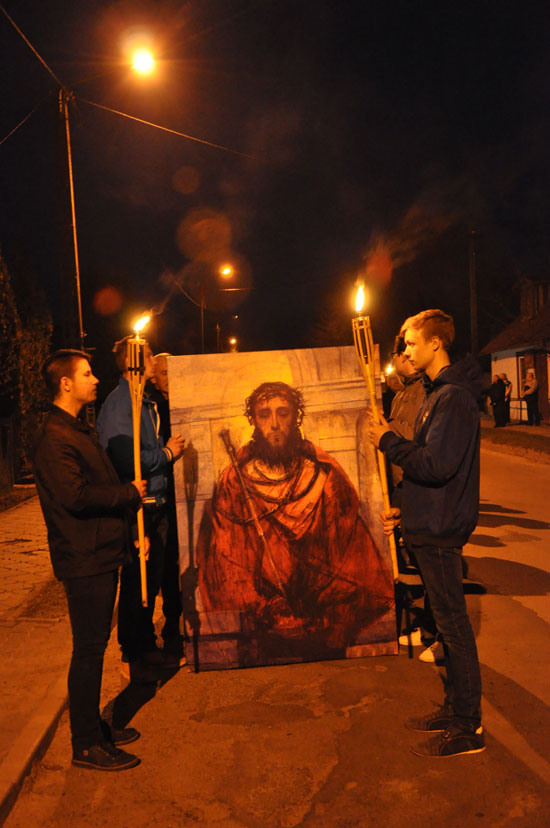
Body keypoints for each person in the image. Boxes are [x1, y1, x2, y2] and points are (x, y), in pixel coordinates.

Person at [197, 381, 394, 664]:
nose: (274, 424)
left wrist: (329, 614)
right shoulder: (235, 483)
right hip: (262, 632)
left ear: (296, 417)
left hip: (323, 629)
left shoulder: (324, 477)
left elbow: (348, 555)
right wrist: (269, 610)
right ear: (253, 420)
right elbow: (228, 561)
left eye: (283, 413)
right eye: (264, 414)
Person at [368, 309, 485, 758]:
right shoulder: (436, 393)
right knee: (448, 628)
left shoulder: (453, 398)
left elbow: (436, 465)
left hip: (440, 531)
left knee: (454, 629)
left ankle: (469, 727)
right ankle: (455, 710)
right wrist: (405, 509)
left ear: (436, 343)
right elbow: (430, 473)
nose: (406, 351)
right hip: (428, 523)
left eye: (412, 343)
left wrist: (388, 441)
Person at [33, 349, 146, 771]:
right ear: (66, 383)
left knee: (94, 648)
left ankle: (94, 727)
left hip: (99, 551)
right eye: (86, 373)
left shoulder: (75, 429)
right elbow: (76, 497)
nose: (95, 379)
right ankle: (85, 743)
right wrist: (129, 493)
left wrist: (128, 529)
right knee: (89, 650)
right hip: (84, 558)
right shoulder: (54, 437)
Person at [97, 337, 185, 680]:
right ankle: (133, 653)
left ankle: (146, 646)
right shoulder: (121, 404)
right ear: (134, 361)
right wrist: (167, 453)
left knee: (151, 579)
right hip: (140, 507)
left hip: (155, 503)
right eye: (148, 355)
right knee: (138, 582)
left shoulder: (142, 401)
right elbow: (125, 458)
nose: (153, 361)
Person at [386, 334, 439, 663]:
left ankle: (441, 636)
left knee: (433, 570)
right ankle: (430, 627)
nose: (403, 358)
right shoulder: (404, 390)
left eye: (406, 351)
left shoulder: (425, 391)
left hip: (417, 483)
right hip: (403, 484)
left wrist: (385, 431)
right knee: (419, 562)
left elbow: (414, 437)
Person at [147, 352, 183, 656]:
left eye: (174, 370)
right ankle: (172, 623)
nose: (170, 376)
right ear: (155, 378)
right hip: (166, 493)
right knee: (169, 561)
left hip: (187, 488)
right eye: (163, 372)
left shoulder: (187, 399)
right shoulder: (153, 408)